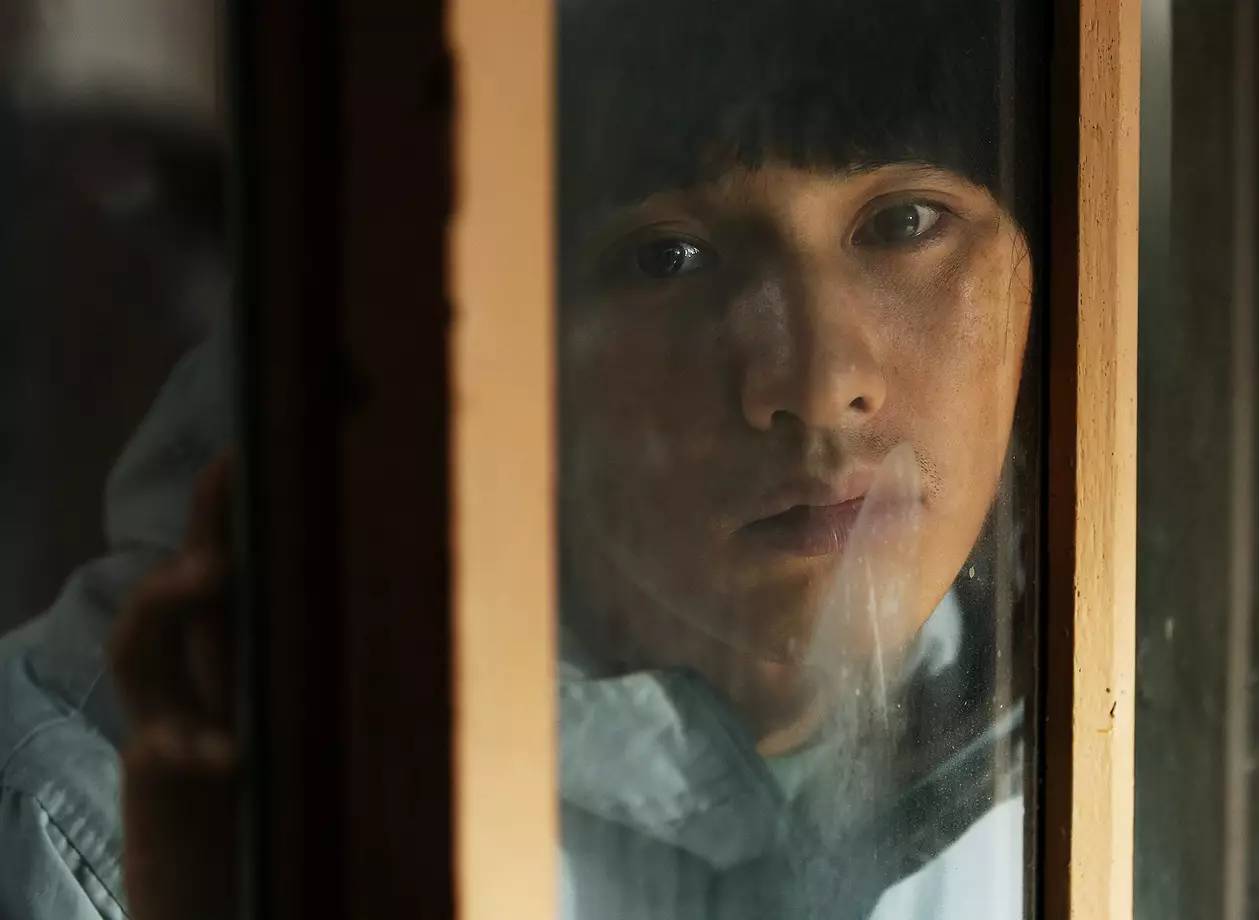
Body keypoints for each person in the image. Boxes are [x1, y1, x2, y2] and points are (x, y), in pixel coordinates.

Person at [0, 0, 1044, 917]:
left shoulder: (1073, 738)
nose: (817, 381)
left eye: (904, 221)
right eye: (665, 256)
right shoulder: (88, 824)